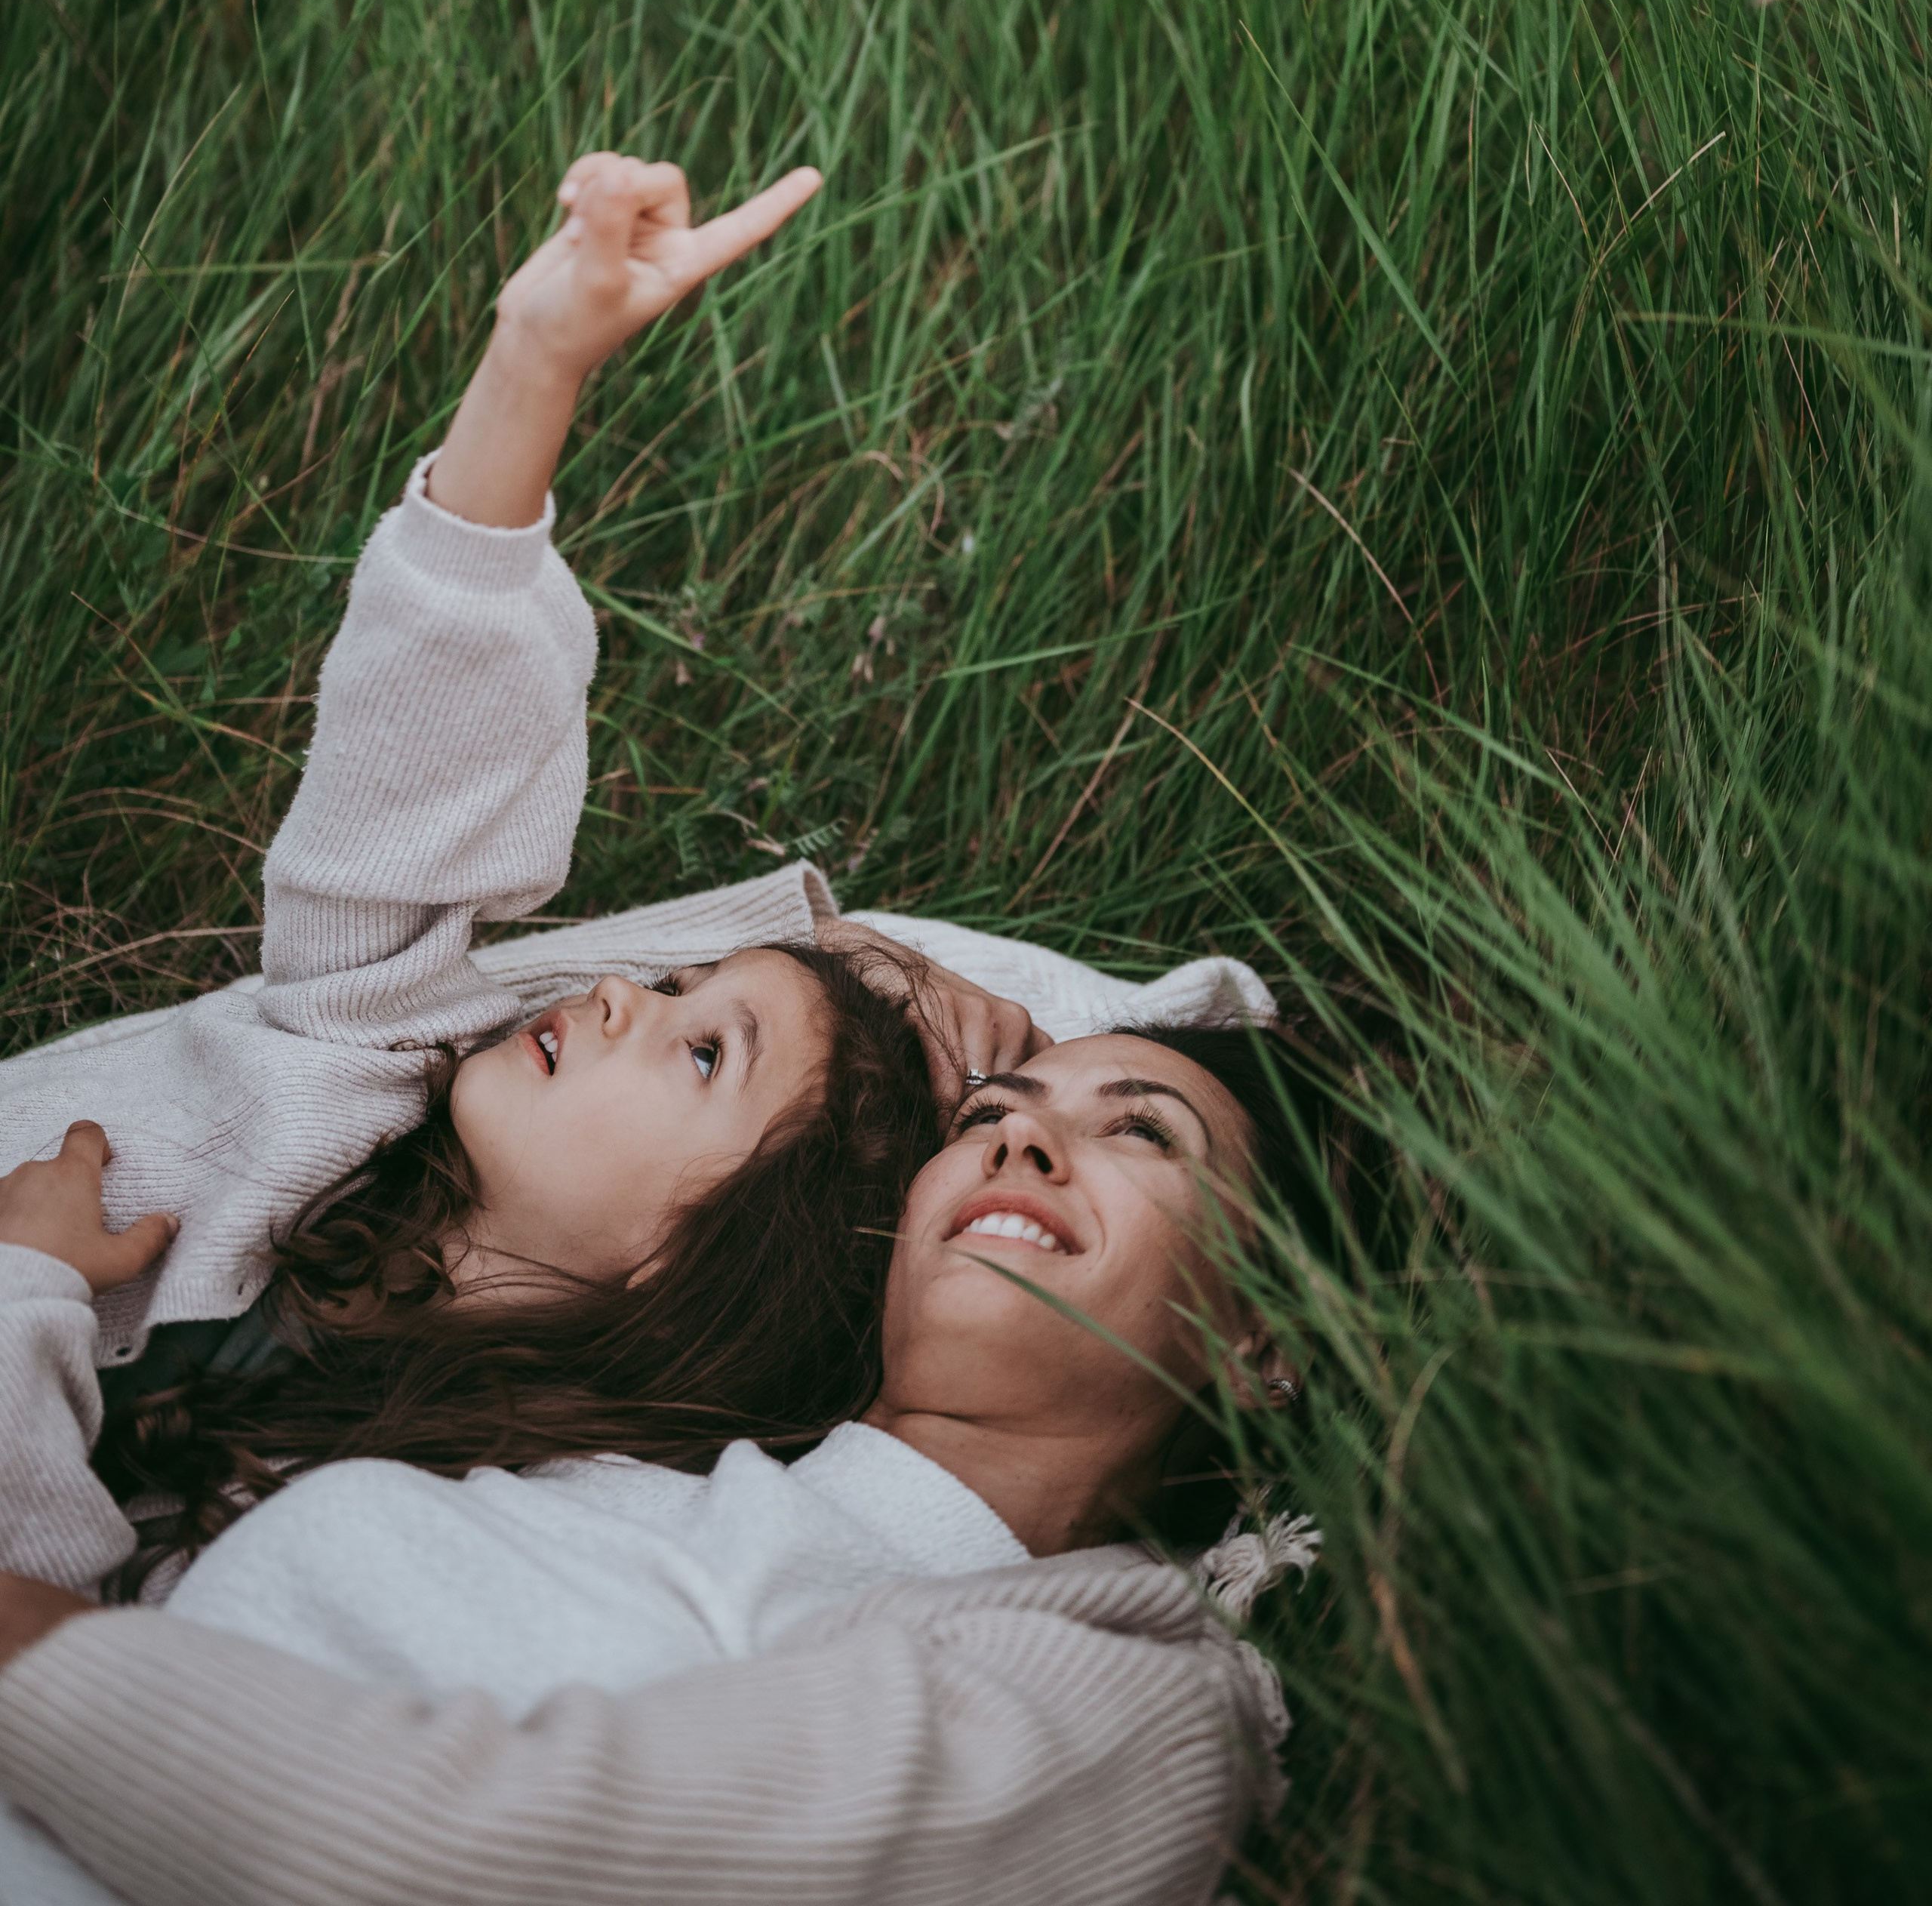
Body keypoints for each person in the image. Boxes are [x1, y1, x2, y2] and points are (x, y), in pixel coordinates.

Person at [0, 149, 1272, 1594]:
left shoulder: (518, 1506)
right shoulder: (362, 1057)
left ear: (694, 1253)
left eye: (702, 1051)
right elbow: (420, 759)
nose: (613, 987)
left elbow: (61, 1674)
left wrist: (23, 1299)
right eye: (674, 985)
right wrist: (534, 363)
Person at [0, 1018, 1316, 1906]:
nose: (1019, 1141)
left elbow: (490, 1857)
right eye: (986, 1110)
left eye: (1142, 1132)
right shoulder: (610, 1451)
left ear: (1269, 1339)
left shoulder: (1140, 1708)